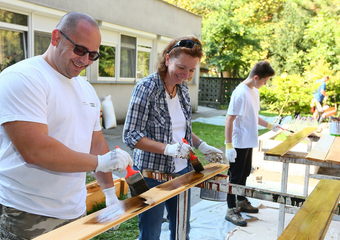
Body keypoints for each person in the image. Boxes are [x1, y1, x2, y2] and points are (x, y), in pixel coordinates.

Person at [0, 12, 133, 239]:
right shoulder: (23, 78)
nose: (85, 61)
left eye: (93, 55)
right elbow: (36, 150)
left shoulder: (85, 88)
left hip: (75, 209)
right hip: (27, 212)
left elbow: (96, 142)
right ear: (55, 38)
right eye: (79, 50)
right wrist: (101, 162)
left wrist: (110, 194)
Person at [123, 36, 224, 240]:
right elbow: (131, 136)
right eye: (181, 67)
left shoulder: (182, 88)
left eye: (191, 70)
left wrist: (202, 145)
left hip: (182, 172)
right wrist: (168, 149)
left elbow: (182, 130)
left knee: (181, 230)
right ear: (168, 59)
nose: (185, 75)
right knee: (150, 233)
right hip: (152, 176)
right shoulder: (146, 88)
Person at [224, 61, 279, 227]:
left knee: (245, 172)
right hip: (238, 142)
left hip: (249, 140)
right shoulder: (240, 93)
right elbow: (229, 119)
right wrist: (229, 145)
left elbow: (253, 116)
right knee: (234, 176)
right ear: (256, 77)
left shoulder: (254, 92)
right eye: (264, 81)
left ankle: (241, 200)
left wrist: (270, 125)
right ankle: (230, 209)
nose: (265, 84)